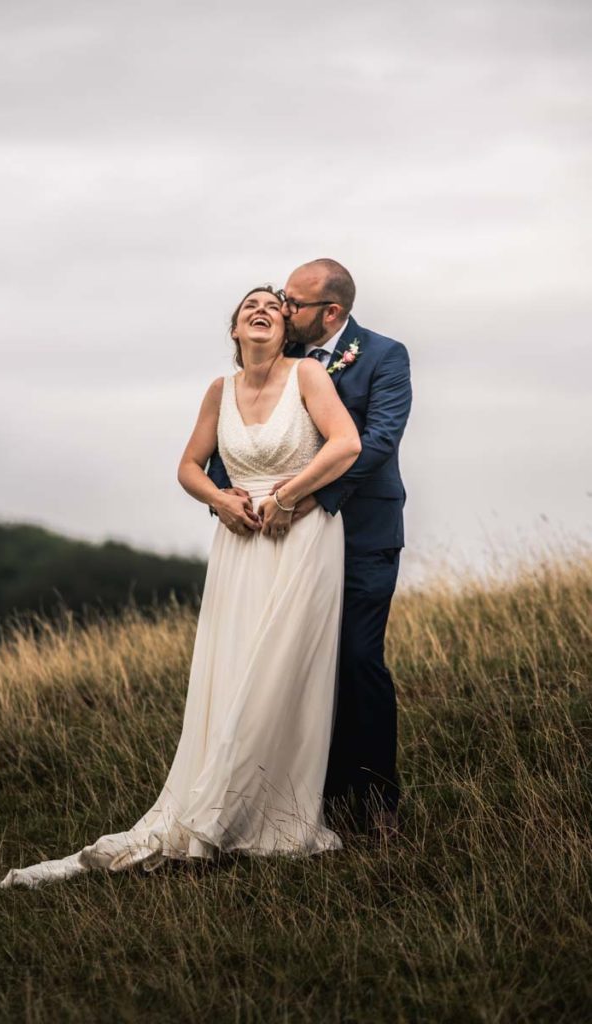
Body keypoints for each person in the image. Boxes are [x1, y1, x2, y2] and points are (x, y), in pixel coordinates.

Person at [0, 285, 360, 889]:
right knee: (233, 666)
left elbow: (346, 444)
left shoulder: (309, 376)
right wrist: (221, 500)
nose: (262, 310)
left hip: (303, 537)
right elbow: (189, 466)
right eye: (250, 307)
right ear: (236, 330)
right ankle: (216, 796)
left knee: (281, 666)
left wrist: (287, 496)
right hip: (239, 545)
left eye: (273, 304)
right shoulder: (219, 391)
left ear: (287, 325)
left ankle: (271, 816)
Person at [208, 259, 412, 835]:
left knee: (355, 658)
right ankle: (300, 800)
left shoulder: (384, 356)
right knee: (290, 663)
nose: (279, 306)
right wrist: (226, 495)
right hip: (280, 539)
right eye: (278, 296)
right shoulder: (279, 364)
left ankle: (375, 805)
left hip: (361, 533)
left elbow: (376, 441)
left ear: (332, 313)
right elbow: (239, 432)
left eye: (290, 302)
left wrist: (303, 497)